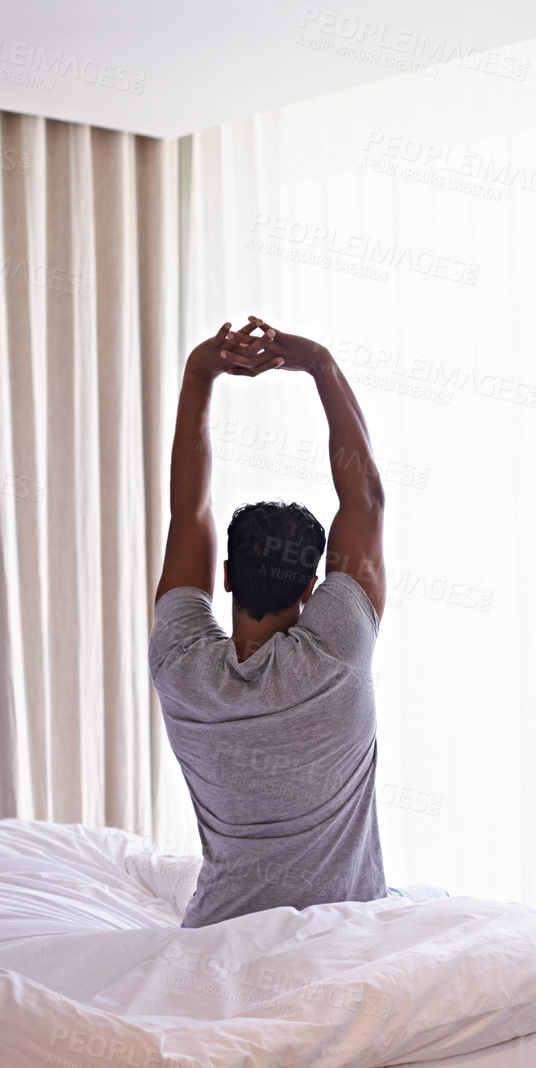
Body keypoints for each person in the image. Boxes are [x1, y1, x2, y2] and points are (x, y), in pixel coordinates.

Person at [149, 317, 394, 928]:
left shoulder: (179, 664)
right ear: (313, 589)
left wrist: (200, 374)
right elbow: (365, 501)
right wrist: (319, 362)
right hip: (347, 937)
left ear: (225, 575)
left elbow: (189, 512)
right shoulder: (336, 651)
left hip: (215, 937)